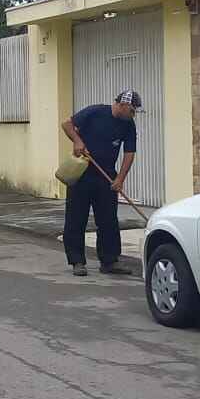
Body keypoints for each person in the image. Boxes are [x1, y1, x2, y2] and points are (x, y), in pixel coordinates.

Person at [60, 90, 140, 277]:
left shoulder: (128, 125)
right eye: (132, 110)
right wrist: (77, 141)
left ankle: (109, 261)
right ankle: (77, 261)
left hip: (106, 177)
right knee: (76, 218)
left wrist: (120, 178)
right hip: (81, 173)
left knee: (108, 220)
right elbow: (66, 124)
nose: (133, 115)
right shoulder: (95, 112)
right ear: (122, 105)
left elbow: (130, 153)